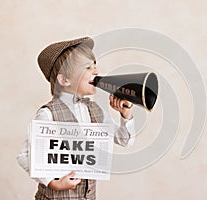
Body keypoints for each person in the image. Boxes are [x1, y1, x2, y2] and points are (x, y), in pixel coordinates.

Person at [17, 37, 135, 199]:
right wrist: (52, 182)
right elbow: (24, 155)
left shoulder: (95, 111)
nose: (95, 72)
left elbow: (124, 140)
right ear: (64, 79)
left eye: (95, 66)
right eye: (87, 67)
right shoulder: (48, 114)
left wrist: (125, 115)